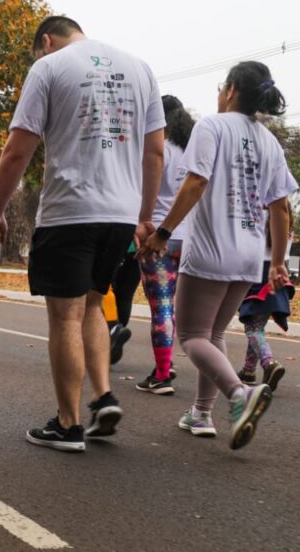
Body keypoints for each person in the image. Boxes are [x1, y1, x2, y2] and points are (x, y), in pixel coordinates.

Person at [0, 16, 165, 452]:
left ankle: (67, 425)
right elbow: (155, 150)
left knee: (65, 315)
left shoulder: (49, 67)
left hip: (70, 212)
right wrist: (144, 216)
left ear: (46, 41)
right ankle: (102, 397)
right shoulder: (140, 69)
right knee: (91, 305)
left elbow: (17, 149)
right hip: (119, 216)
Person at [139, 61, 297, 450]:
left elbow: (196, 181)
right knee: (213, 334)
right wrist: (277, 262)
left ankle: (239, 394)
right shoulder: (269, 142)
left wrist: (164, 231)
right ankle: (201, 413)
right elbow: (280, 207)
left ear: (229, 91)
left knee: (192, 334)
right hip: (249, 255)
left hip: (210, 251)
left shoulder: (211, 126)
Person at [134, 95, 195, 394]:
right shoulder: (193, 153)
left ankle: (162, 375)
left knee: (161, 308)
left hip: (158, 238)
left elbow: (144, 190)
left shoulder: (160, 153)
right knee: (176, 310)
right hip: (190, 240)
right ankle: (166, 363)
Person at [237, 208, 295, 391]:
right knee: (257, 327)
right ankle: (248, 371)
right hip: (278, 278)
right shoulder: (287, 229)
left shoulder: (258, 224)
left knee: (253, 329)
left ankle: (269, 363)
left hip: (258, 277)